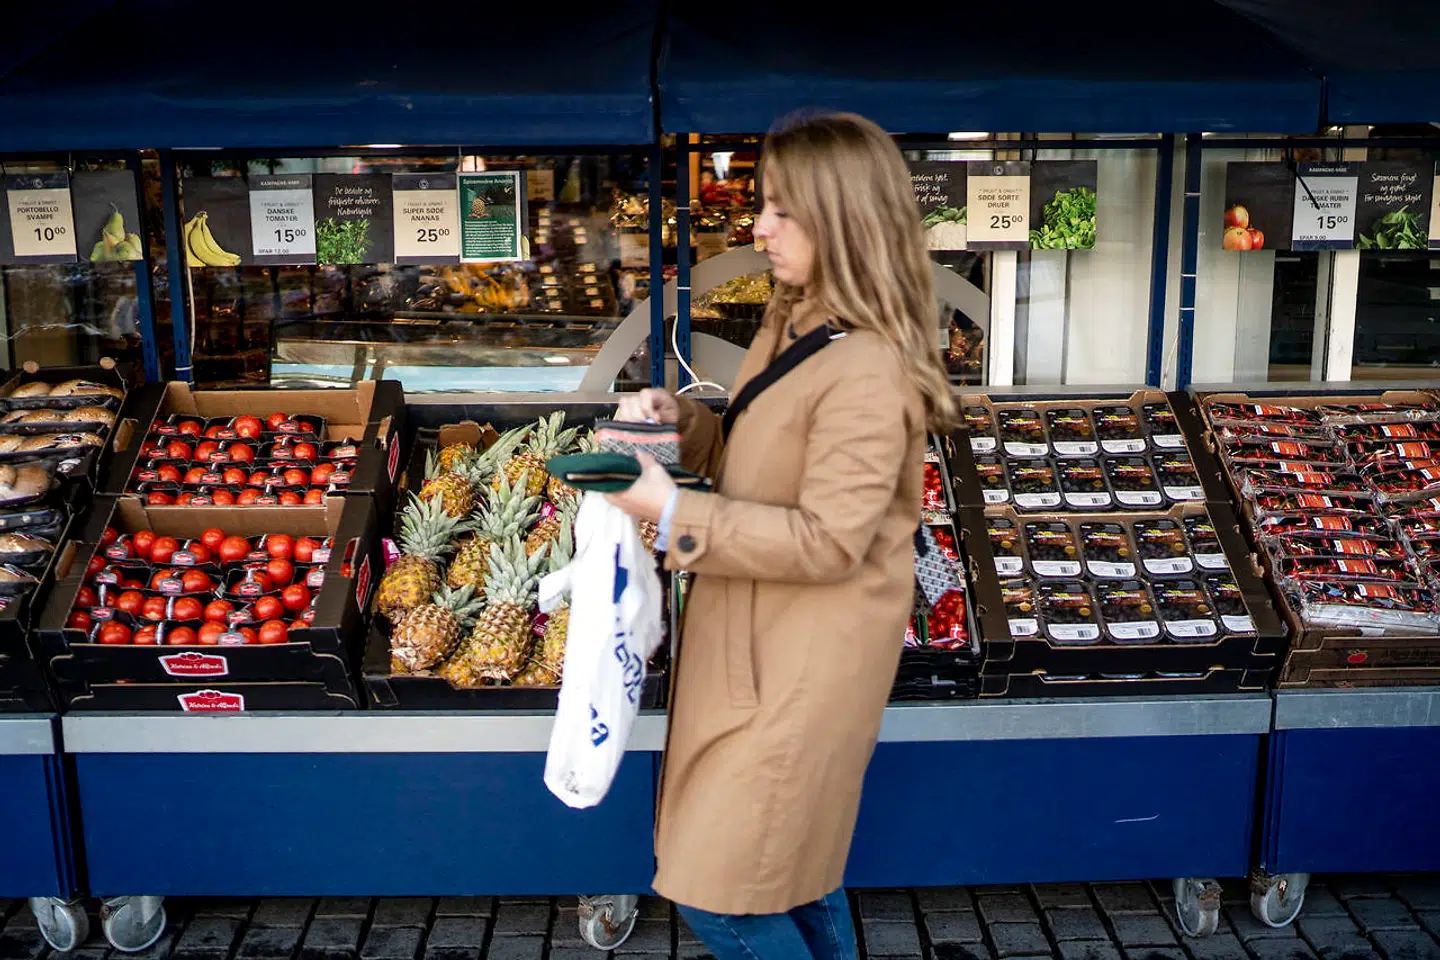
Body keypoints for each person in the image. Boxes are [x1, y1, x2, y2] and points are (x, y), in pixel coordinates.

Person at [605, 112, 958, 960]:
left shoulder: (869, 367)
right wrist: (682, 423)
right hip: (756, 647)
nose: (756, 228)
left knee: (725, 893)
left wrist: (671, 512)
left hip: (799, 667)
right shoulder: (795, 320)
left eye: (781, 211)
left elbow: (830, 540)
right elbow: (756, 464)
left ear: (845, 219)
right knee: (792, 873)